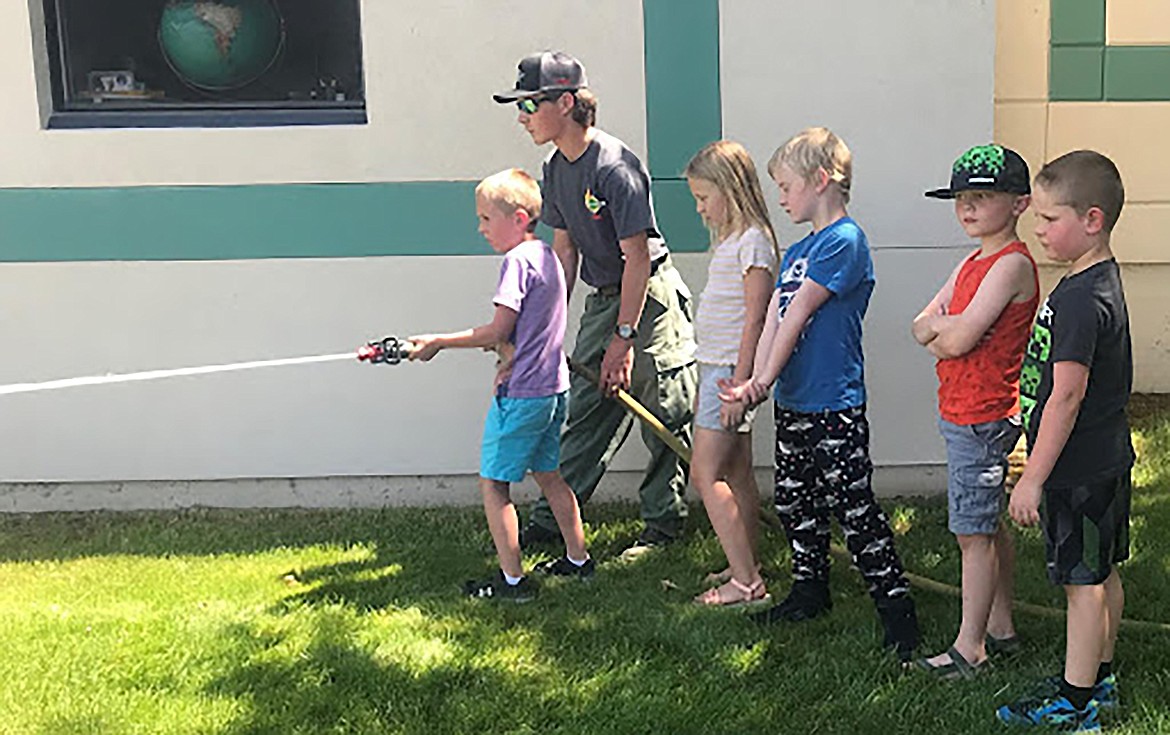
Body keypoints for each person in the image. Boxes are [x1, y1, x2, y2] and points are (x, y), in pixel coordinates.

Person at [720, 127, 919, 659]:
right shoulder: (799, 250)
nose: (780, 197)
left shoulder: (844, 242)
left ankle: (897, 614)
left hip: (834, 404)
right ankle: (810, 591)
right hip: (795, 401)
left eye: (786, 186)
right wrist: (755, 382)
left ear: (820, 179)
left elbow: (802, 313)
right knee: (794, 502)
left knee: (853, 509)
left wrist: (761, 381)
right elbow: (773, 321)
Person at [493, 51, 697, 556]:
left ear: (565, 102)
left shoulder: (615, 166)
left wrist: (624, 340)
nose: (521, 118)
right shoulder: (555, 168)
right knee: (585, 403)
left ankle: (663, 524)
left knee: (661, 408)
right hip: (606, 295)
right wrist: (545, 324)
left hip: (648, 296)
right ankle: (552, 519)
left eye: (528, 106)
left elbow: (637, 258)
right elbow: (565, 249)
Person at [407, 168, 593, 601]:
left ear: (521, 218)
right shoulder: (546, 255)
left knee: (494, 484)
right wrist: (510, 354)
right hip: (552, 388)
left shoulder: (515, 263)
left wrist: (437, 341)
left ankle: (513, 582)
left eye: (487, 219)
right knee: (549, 475)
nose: (481, 228)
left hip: (523, 395)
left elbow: (497, 329)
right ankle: (579, 561)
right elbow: (528, 330)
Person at [996, 150, 1133, 731]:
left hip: (1077, 468)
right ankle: (1102, 679)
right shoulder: (1095, 278)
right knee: (1102, 573)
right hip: (1106, 458)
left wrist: (1033, 476)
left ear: (1092, 220)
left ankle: (1075, 702)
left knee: (1082, 584)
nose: (1039, 229)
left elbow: (1066, 396)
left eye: (1051, 219)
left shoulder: (1080, 300)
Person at [910, 144, 1039, 677]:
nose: (966, 208)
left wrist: (947, 330)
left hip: (983, 415)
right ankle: (1000, 626)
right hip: (962, 409)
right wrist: (946, 331)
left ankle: (970, 649)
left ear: (1019, 203)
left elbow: (953, 336)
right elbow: (922, 324)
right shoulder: (972, 261)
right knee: (985, 525)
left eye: (981, 197)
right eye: (960, 198)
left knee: (972, 534)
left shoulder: (1010, 265)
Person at [684, 140, 777, 606]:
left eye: (704, 197)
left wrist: (740, 385)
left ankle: (745, 584)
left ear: (731, 189)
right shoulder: (733, 239)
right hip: (718, 367)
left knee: (704, 473)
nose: (700, 208)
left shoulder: (753, 242)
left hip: (727, 374)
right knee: (737, 469)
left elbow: (756, 318)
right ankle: (748, 561)